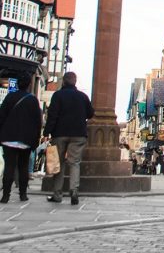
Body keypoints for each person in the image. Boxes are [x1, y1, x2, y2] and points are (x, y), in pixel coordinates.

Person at [44, 71, 95, 205]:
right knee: (75, 162)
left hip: (60, 133)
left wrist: (46, 132)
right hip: (78, 134)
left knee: (59, 163)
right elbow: (90, 113)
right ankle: (74, 190)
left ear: (64, 82)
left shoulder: (58, 95)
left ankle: (57, 194)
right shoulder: (82, 96)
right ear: (75, 81)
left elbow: (52, 115)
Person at [0, 72, 42, 203]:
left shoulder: (10, 97)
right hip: (26, 138)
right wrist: (36, 140)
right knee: (23, 166)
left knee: (9, 166)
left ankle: (5, 195)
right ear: (29, 84)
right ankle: (23, 194)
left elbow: (1, 117)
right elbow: (38, 122)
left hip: (9, 137)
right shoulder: (33, 100)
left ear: (17, 84)